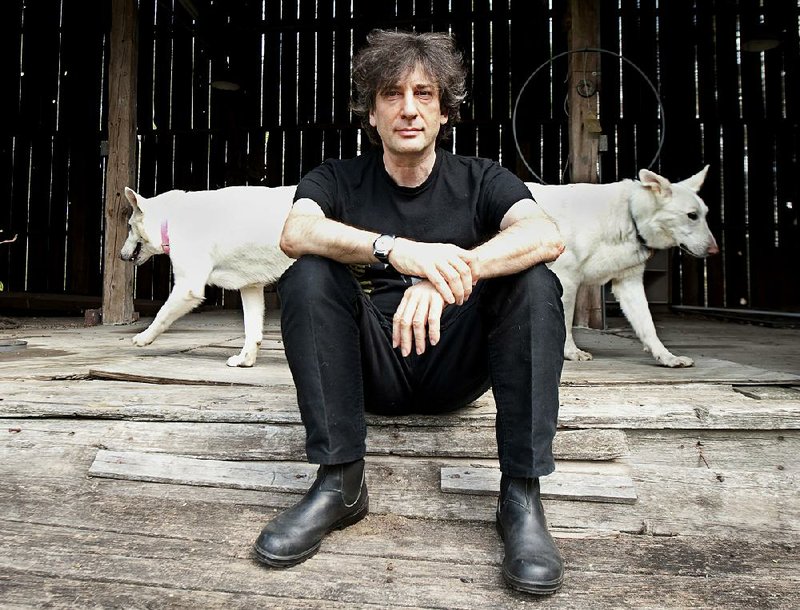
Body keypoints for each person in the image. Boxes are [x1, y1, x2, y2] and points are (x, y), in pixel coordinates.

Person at [254, 29, 567, 595]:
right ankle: (340, 485)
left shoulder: (483, 179)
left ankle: (522, 497)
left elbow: (545, 235)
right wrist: (396, 249)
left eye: (424, 94)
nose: (408, 109)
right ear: (370, 112)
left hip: (457, 367)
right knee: (306, 273)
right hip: (373, 368)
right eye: (392, 94)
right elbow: (296, 232)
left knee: (535, 282)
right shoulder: (336, 179)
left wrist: (446, 277)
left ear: (444, 110)